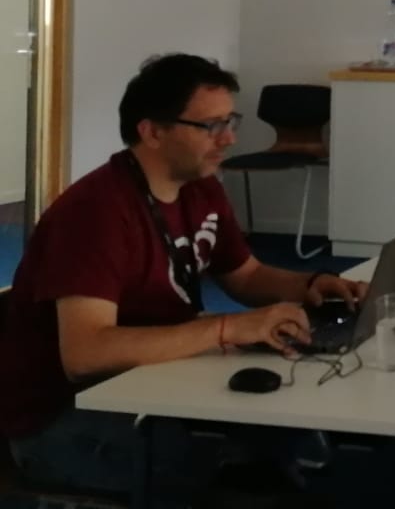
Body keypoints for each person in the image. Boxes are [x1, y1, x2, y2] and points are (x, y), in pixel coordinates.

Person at [0, 53, 368, 501]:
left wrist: (310, 286)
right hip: (63, 419)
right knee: (243, 473)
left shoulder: (200, 186)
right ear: (152, 132)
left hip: (150, 383)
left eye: (230, 121)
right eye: (210, 126)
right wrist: (227, 329)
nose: (229, 138)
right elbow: (86, 354)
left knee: (287, 436)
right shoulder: (95, 213)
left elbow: (245, 275)